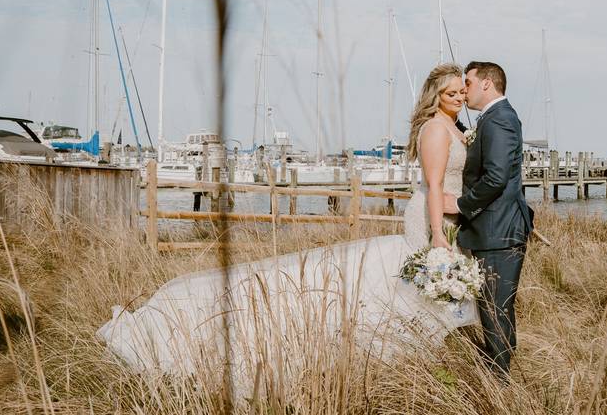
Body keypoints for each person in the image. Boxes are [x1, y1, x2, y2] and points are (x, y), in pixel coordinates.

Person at [97, 64, 478, 391]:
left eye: (462, 91)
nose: (459, 97)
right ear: (435, 96)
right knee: (402, 287)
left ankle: (428, 362)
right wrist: (439, 238)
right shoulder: (435, 129)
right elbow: (433, 185)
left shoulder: (455, 127)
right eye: (450, 93)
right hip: (432, 222)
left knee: (413, 293)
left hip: (447, 217)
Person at [445, 61, 534, 378]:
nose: (464, 89)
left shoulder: (499, 120)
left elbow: (496, 178)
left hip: (499, 231)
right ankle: (502, 374)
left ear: (486, 83)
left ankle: (500, 383)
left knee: (494, 309)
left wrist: (459, 204)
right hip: (497, 230)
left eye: (468, 82)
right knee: (495, 308)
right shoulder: (496, 118)